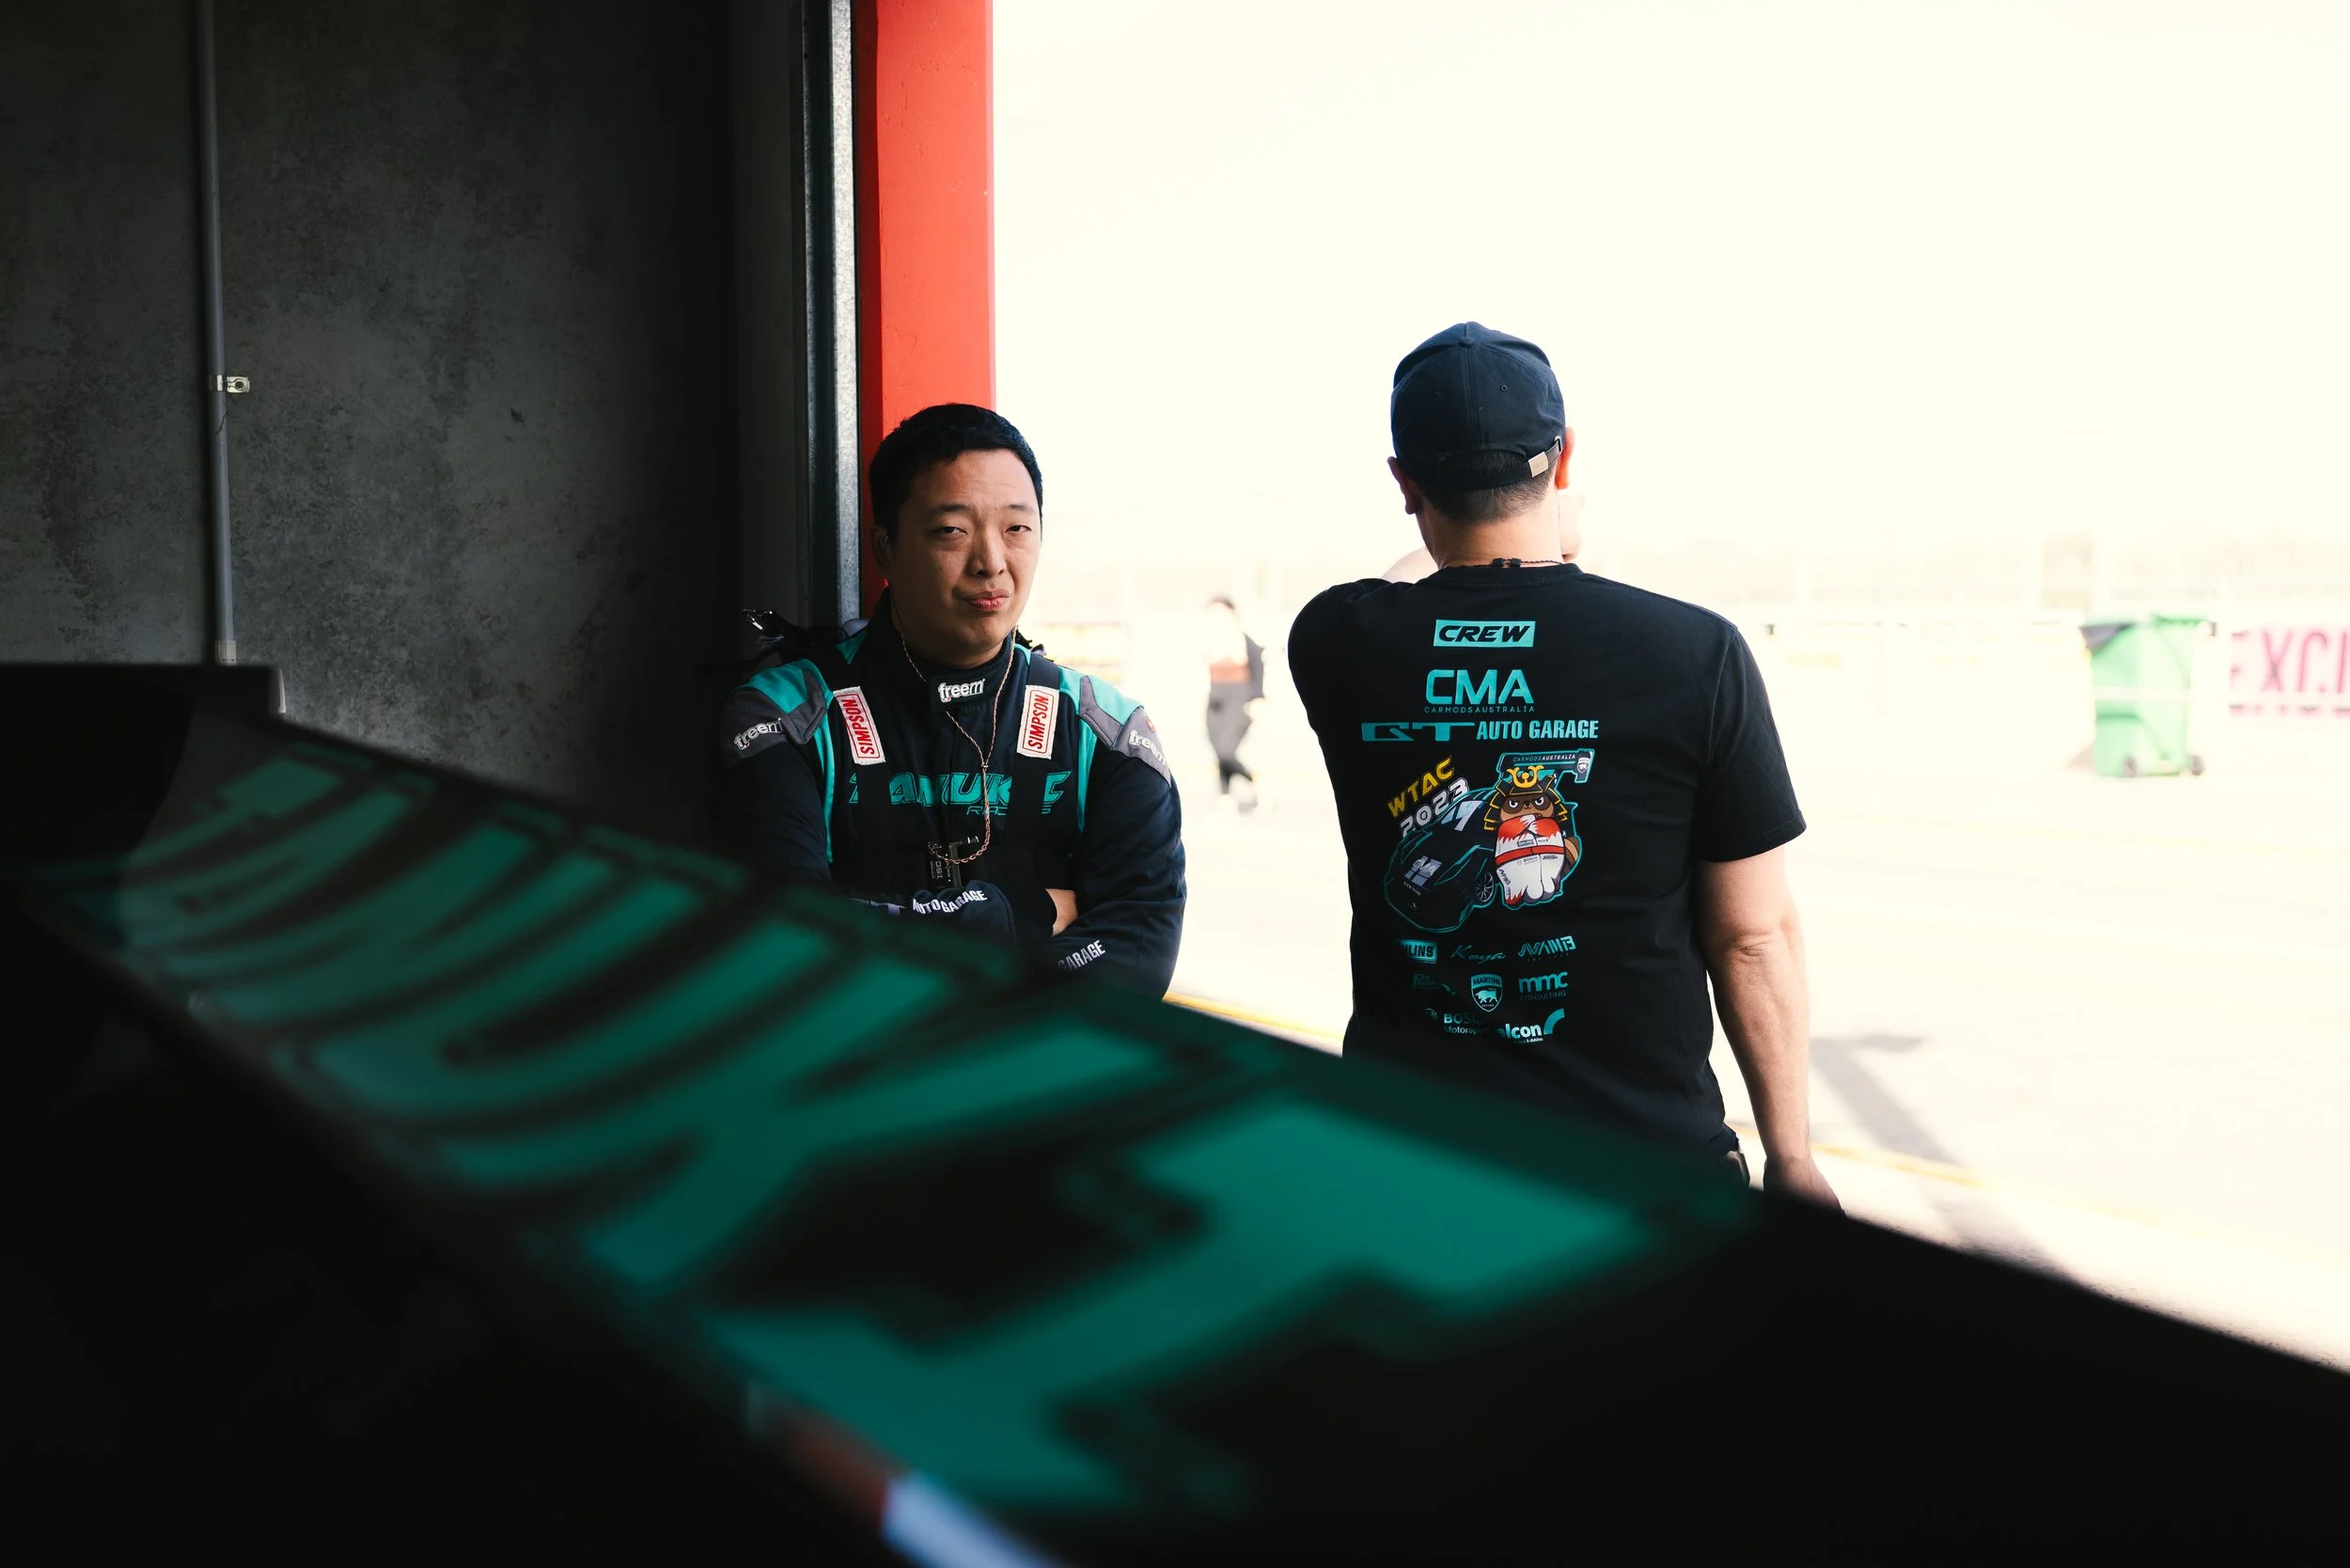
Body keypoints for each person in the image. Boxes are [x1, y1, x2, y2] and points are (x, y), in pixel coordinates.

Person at [1286, 322, 1838, 1204]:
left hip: (1410, 1159)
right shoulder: (1694, 652)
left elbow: (1403, 586)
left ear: (1403, 482)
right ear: (1565, 456)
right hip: (1643, 1168)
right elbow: (1752, 935)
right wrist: (1793, 1157)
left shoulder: (1335, 641)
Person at [713, 403, 1184, 995]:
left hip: (1015, 1055)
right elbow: (791, 941)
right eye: (952, 531)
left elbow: (1139, 956)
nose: (991, 563)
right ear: (886, 548)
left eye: (1017, 529)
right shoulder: (783, 716)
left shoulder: (1105, 727)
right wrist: (1016, 912)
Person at [1201, 596, 1265, 810]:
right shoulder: (1209, 640)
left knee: (1227, 750)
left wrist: (1257, 699)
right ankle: (1225, 795)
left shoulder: (1243, 639)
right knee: (1217, 748)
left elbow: (1257, 668)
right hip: (1214, 698)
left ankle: (1253, 781)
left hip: (1238, 696)